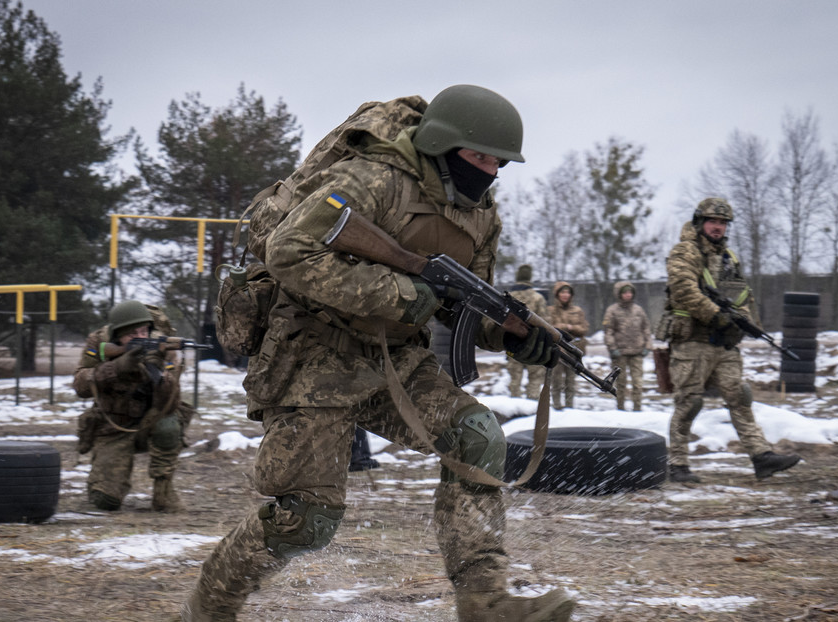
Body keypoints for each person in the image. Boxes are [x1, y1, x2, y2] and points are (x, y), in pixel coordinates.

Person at [181, 85, 575, 622]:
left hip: (394, 356)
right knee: (307, 519)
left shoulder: (480, 214)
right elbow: (288, 251)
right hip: (309, 353)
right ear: (442, 144)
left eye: (499, 162)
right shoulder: (373, 180)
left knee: (476, 435)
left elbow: (461, 303)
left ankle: (485, 601)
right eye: (480, 157)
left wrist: (510, 334)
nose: (491, 172)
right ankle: (209, 608)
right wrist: (399, 293)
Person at [661, 198, 800, 483]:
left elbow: (740, 295)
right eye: (713, 221)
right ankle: (677, 463)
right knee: (690, 403)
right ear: (700, 222)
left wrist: (744, 323)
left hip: (723, 344)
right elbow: (684, 290)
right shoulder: (684, 252)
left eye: (723, 223)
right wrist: (717, 316)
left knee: (740, 397)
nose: (718, 227)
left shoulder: (729, 258)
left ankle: (761, 456)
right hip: (692, 343)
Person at [72, 300, 193, 512]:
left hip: (149, 422)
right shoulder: (99, 342)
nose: (140, 337)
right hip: (113, 426)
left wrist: (160, 376)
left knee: (169, 424)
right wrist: (116, 367)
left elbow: (170, 403)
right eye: (132, 334)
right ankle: (102, 482)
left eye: (144, 331)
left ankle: (163, 490)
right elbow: (80, 386)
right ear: (118, 335)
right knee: (105, 502)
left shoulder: (163, 346)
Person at [602, 281, 652, 411]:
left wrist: (648, 345)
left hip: (637, 352)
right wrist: (612, 348)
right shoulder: (612, 311)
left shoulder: (638, 310)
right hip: (620, 353)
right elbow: (609, 331)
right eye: (625, 292)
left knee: (638, 383)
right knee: (621, 384)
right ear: (619, 294)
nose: (628, 295)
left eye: (630, 292)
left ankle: (637, 408)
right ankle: (620, 409)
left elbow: (646, 328)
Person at [505, 264, 549, 400]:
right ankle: (531, 408)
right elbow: (544, 323)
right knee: (535, 378)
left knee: (515, 379)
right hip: (533, 344)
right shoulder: (538, 298)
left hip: (512, 343)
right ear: (530, 278)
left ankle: (514, 409)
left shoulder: (508, 297)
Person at [546, 282, 589, 410]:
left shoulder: (577, 311)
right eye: (562, 292)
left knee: (571, 382)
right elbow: (548, 327)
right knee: (556, 381)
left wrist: (571, 327)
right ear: (557, 294)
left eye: (568, 292)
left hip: (573, 351)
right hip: (557, 351)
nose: (565, 295)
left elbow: (584, 329)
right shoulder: (550, 311)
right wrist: (564, 327)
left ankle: (570, 408)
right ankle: (557, 406)